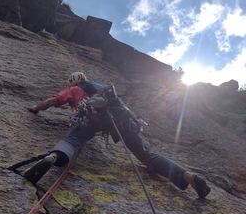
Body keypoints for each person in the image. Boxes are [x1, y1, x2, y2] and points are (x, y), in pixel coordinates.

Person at [25, 72, 211, 199]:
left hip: (91, 119)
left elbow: (52, 101)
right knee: (147, 155)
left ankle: (52, 157)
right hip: (121, 122)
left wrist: (35, 108)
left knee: (72, 140)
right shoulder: (101, 87)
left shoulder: (74, 89)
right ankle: (188, 176)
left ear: (73, 81)